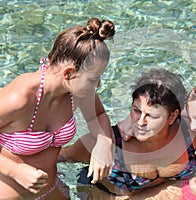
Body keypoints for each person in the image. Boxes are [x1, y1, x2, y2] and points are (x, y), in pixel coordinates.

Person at [0, 18, 115, 199]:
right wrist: (14, 171)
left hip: (51, 189)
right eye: (93, 79)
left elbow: (97, 115)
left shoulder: (78, 91)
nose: (98, 85)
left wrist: (104, 143)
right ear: (69, 73)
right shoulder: (20, 98)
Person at [58, 69, 196, 198]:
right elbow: (61, 156)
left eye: (151, 116)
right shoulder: (110, 144)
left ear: (172, 116)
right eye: (136, 111)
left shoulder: (189, 132)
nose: (140, 122)